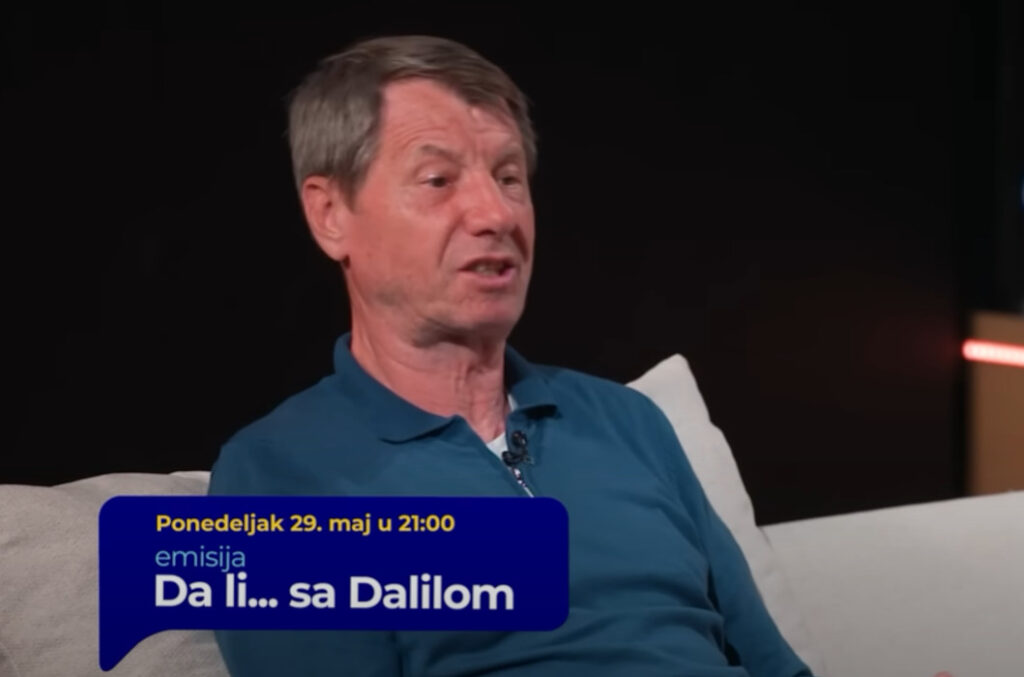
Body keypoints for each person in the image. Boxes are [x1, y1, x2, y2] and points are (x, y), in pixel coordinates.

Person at [208, 34, 815, 676]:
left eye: (508, 178)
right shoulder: (276, 476)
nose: (495, 214)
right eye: (438, 180)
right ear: (330, 214)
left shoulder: (627, 421)